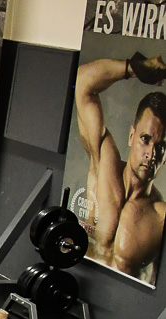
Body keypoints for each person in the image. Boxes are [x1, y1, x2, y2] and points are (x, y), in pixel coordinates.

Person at [75, 53, 166, 284]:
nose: (151, 154)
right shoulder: (103, 164)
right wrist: (132, 68)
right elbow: (84, 82)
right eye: (145, 139)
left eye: (161, 146)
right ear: (131, 136)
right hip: (77, 288)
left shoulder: (161, 216)